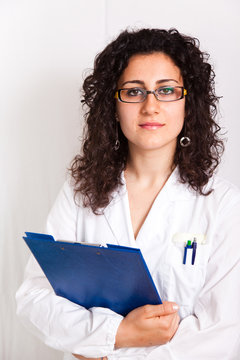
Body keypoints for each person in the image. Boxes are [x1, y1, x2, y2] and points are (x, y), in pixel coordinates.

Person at [16, 28, 240, 360]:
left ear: (188, 104)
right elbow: (35, 298)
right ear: (114, 105)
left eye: (166, 90)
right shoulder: (80, 192)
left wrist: (102, 345)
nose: (150, 106)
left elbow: (220, 333)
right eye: (134, 92)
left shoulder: (222, 205)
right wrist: (118, 334)